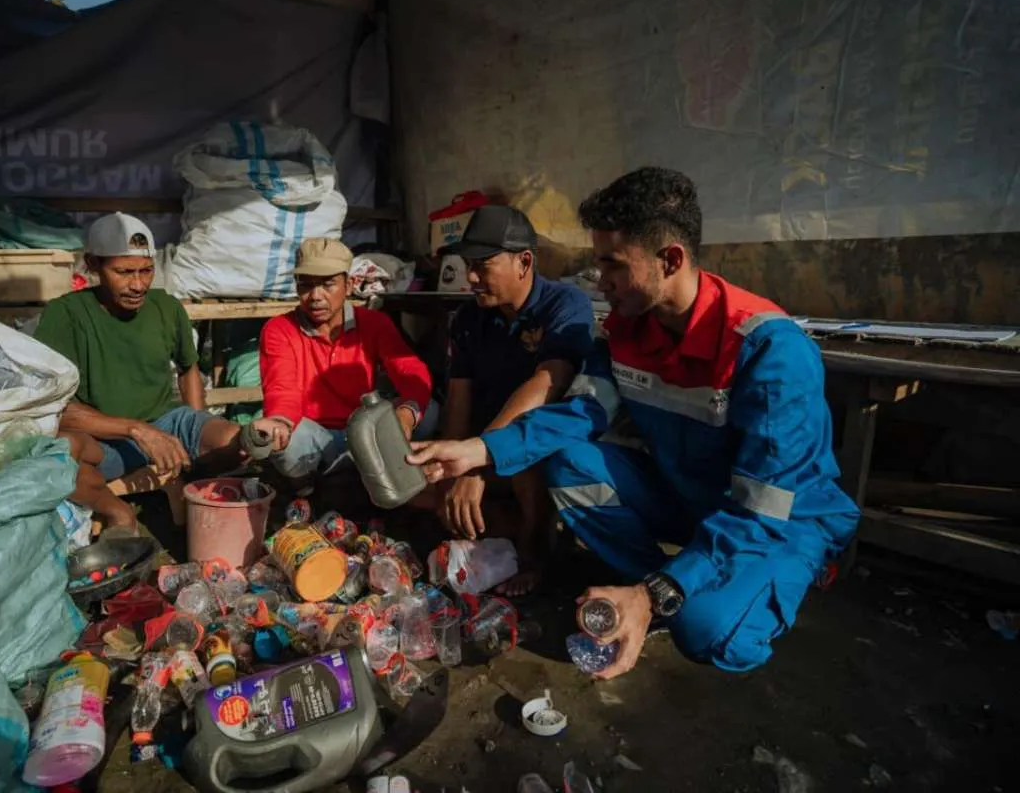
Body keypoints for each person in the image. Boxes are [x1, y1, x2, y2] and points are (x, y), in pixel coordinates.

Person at [408, 167, 859, 677]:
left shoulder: (771, 353)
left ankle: (746, 577)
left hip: (777, 521)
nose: (600, 281)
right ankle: (665, 586)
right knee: (569, 462)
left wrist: (655, 593)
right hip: (692, 498)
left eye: (612, 265)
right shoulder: (626, 330)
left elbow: (760, 509)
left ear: (670, 260)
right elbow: (580, 411)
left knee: (706, 630)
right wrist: (479, 452)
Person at [416, 204, 595, 595]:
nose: (472, 277)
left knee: (524, 460)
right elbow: (458, 399)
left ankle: (535, 555)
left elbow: (548, 381)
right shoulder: (468, 318)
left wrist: (476, 461)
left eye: (483, 265)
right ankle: (501, 529)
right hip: (479, 446)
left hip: (532, 447)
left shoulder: (565, 305)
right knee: (408, 483)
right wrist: (451, 461)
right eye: (468, 266)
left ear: (524, 261)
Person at [35, 212, 242, 530]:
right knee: (59, 453)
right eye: (124, 272)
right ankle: (119, 513)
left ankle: (190, 485)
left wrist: (194, 424)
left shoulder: (166, 307)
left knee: (233, 441)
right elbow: (55, 407)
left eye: (146, 271)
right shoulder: (65, 315)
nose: (138, 285)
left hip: (165, 422)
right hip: (103, 439)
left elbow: (188, 368)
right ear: (92, 265)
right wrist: (136, 430)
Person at [252, 237, 436, 486]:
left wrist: (405, 415)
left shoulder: (374, 323)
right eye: (305, 285)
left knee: (429, 410)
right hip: (314, 435)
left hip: (366, 431)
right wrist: (280, 423)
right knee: (288, 443)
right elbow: (282, 390)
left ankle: (347, 470)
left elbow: (410, 370)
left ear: (349, 285)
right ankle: (324, 481)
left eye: (328, 284)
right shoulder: (279, 329)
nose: (315, 296)